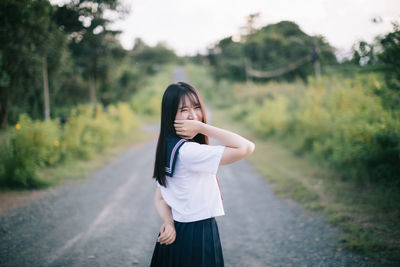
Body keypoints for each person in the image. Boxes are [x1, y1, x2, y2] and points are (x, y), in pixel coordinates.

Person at [150, 82, 255, 267]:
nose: (192, 115)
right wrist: (203, 128)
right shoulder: (189, 152)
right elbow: (246, 147)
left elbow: (160, 197)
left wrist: (168, 222)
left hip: (177, 232)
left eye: (196, 107)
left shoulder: (169, 146)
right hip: (198, 233)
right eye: (183, 110)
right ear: (170, 115)